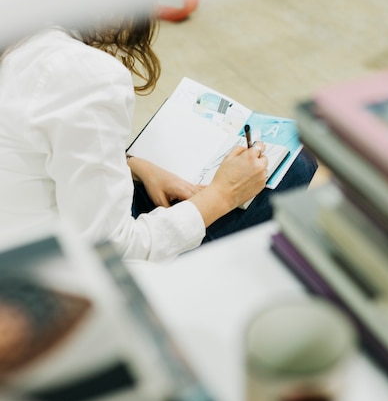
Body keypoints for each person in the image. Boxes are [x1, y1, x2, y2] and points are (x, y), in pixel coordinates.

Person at [0, 16, 317, 261]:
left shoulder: (21, 43)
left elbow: (28, 146)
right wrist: (223, 195)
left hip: (22, 233)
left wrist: (134, 165)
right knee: (295, 169)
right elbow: (110, 250)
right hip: (54, 274)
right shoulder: (81, 73)